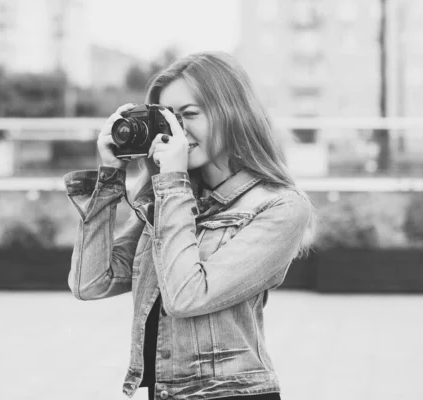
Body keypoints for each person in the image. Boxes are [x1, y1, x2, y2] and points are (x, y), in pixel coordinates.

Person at [63, 51, 315, 400]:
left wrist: (173, 184)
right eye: (167, 118)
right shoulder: (172, 197)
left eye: (190, 114)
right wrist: (110, 174)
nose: (176, 130)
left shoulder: (279, 206)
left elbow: (186, 296)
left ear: (233, 114)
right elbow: (90, 282)